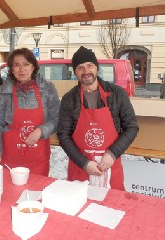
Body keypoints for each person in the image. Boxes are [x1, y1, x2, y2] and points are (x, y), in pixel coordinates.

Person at [57, 46, 139, 190]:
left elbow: (131, 127)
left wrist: (112, 154)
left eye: (90, 66)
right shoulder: (69, 99)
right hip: (81, 168)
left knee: (112, 207)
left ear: (97, 68)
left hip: (109, 165)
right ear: (75, 71)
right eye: (80, 67)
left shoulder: (117, 94)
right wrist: (84, 163)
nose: (86, 71)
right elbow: (63, 135)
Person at [0, 48, 60, 176]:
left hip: (38, 159)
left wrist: (41, 130)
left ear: (33, 67)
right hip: (11, 158)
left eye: (26, 64)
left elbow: (57, 118)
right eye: (16, 65)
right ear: (12, 69)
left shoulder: (47, 89)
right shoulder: (5, 91)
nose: (21, 69)